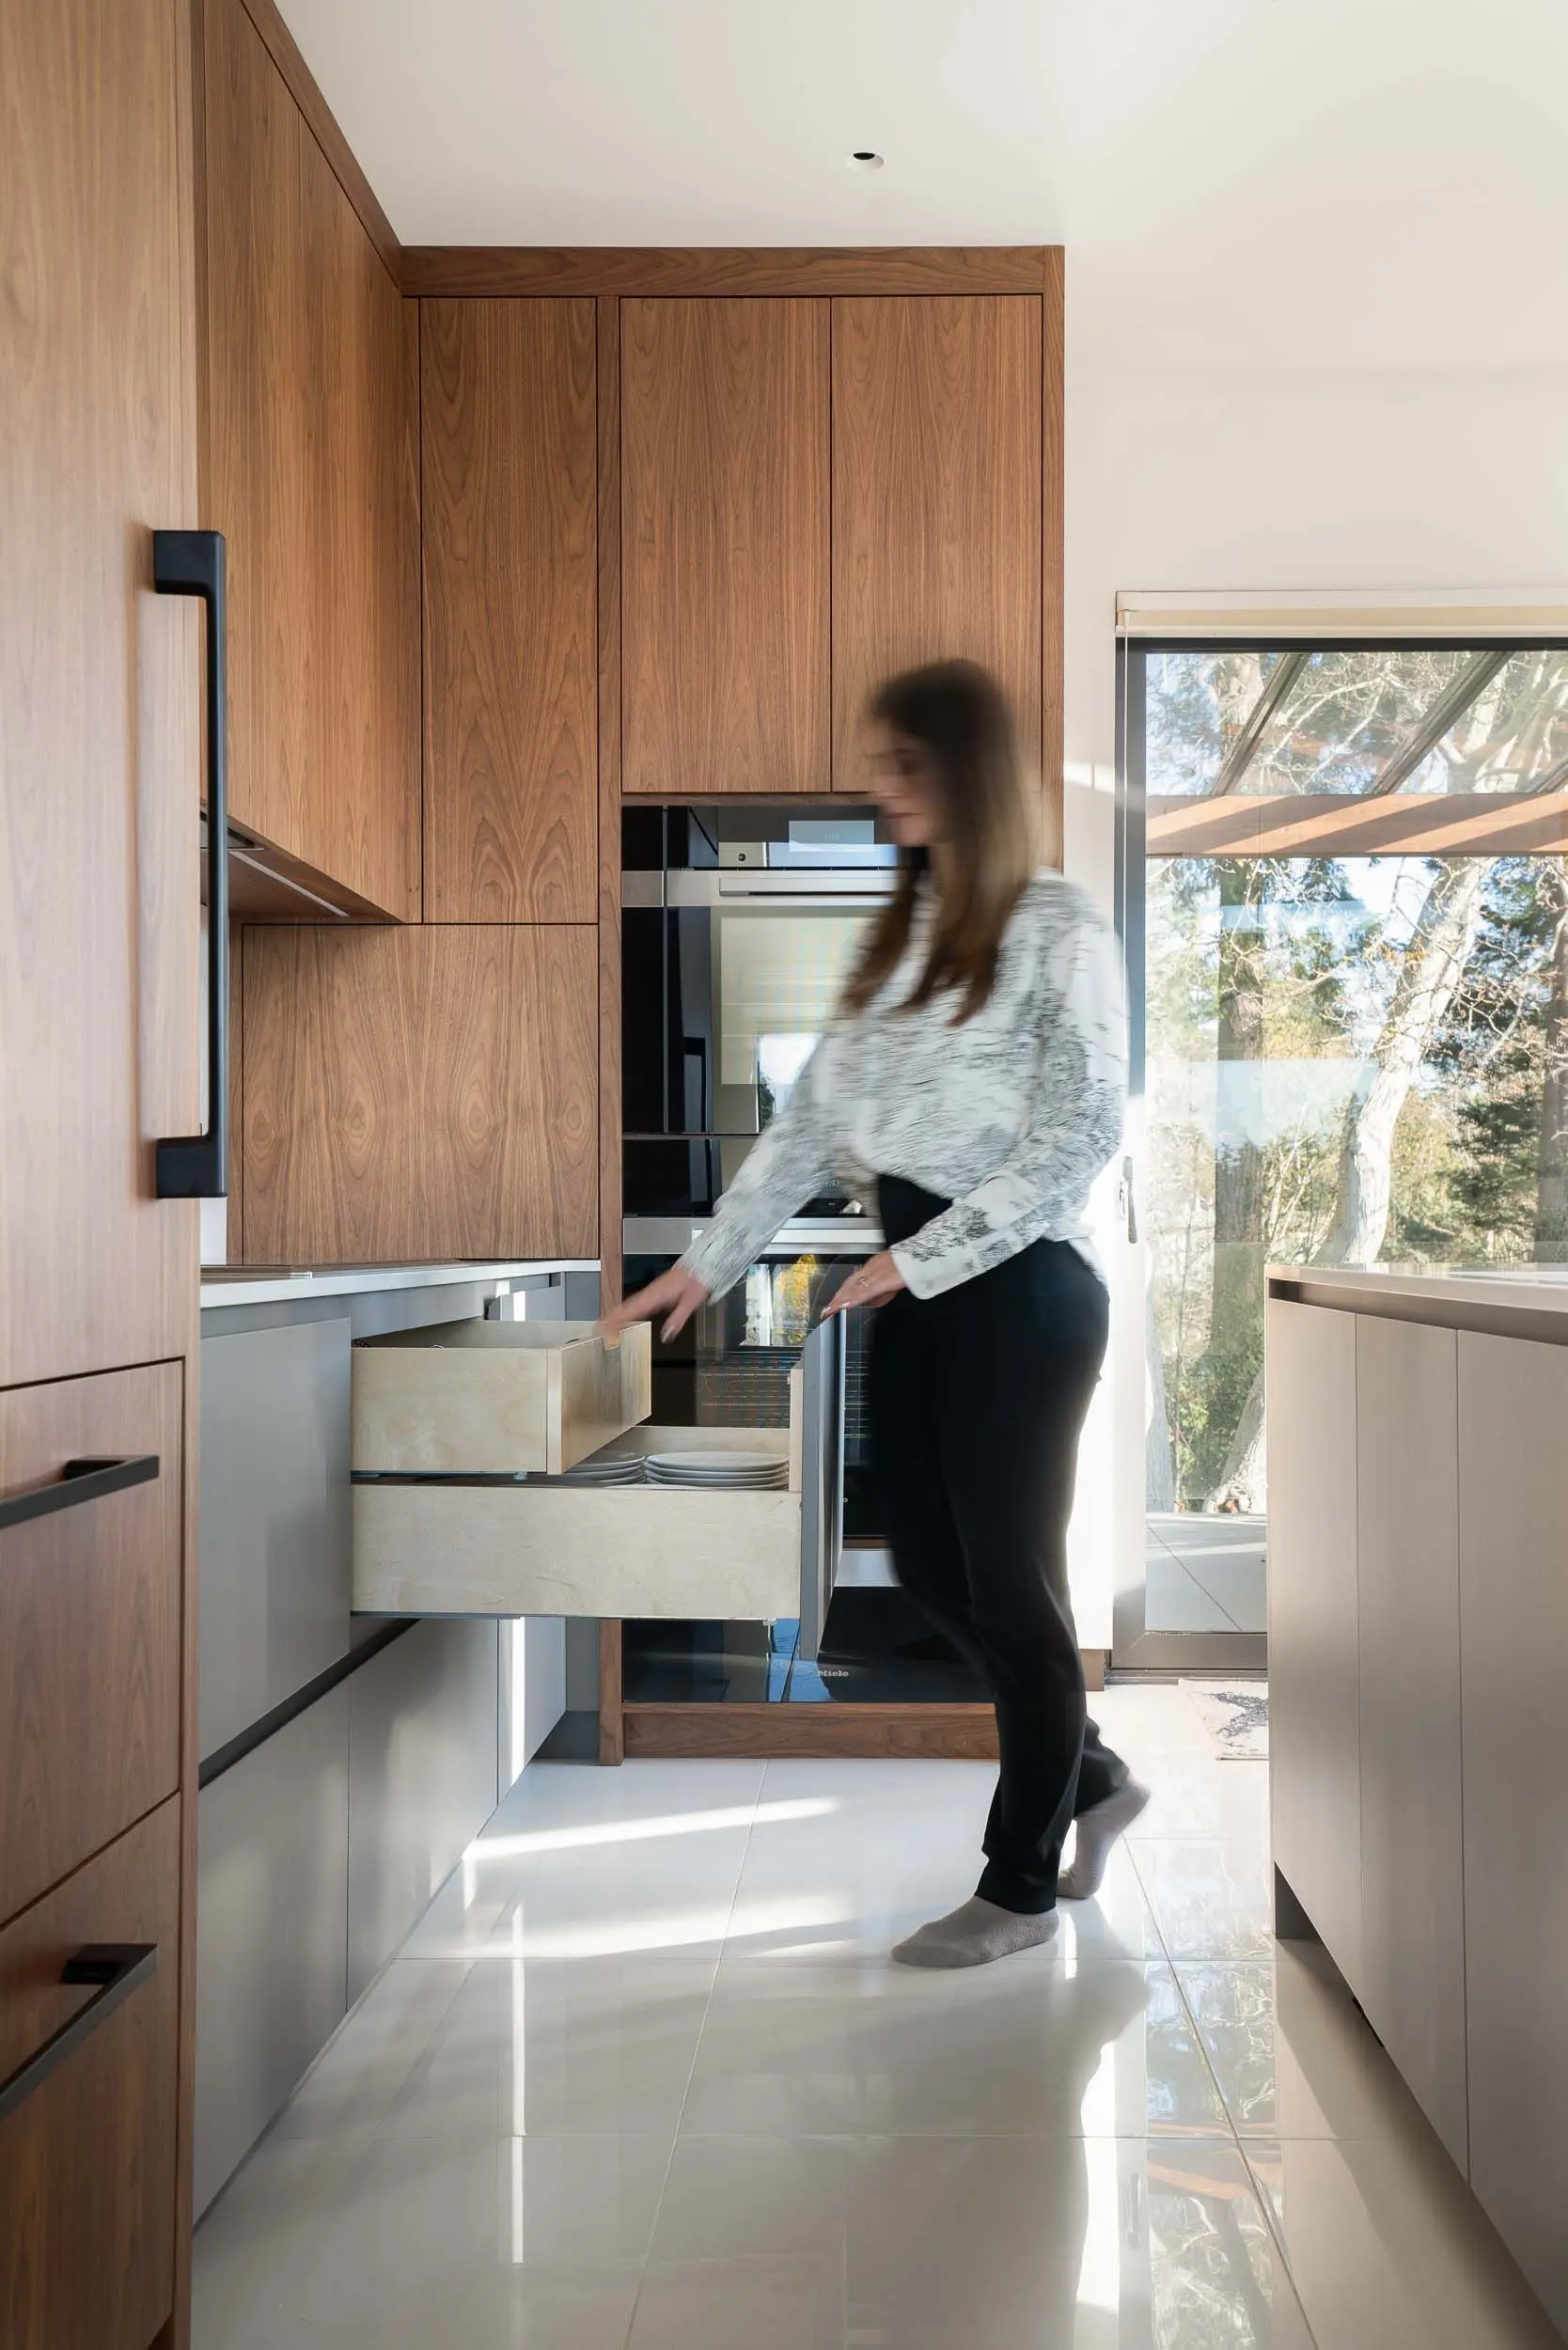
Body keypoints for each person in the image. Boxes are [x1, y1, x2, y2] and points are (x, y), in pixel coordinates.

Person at [604, 660, 1147, 1966]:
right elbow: (808, 1128)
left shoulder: (1059, 923)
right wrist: (707, 1264)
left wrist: (931, 1256)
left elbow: (1084, 1132)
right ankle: (1089, 1773)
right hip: (907, 1282)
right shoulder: (899, 943)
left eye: (904, 763)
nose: (881, 787)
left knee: (1011, 1582)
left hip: (1019, 1292)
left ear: (964, 770)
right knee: (922, 1567)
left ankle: (1018, 1884)